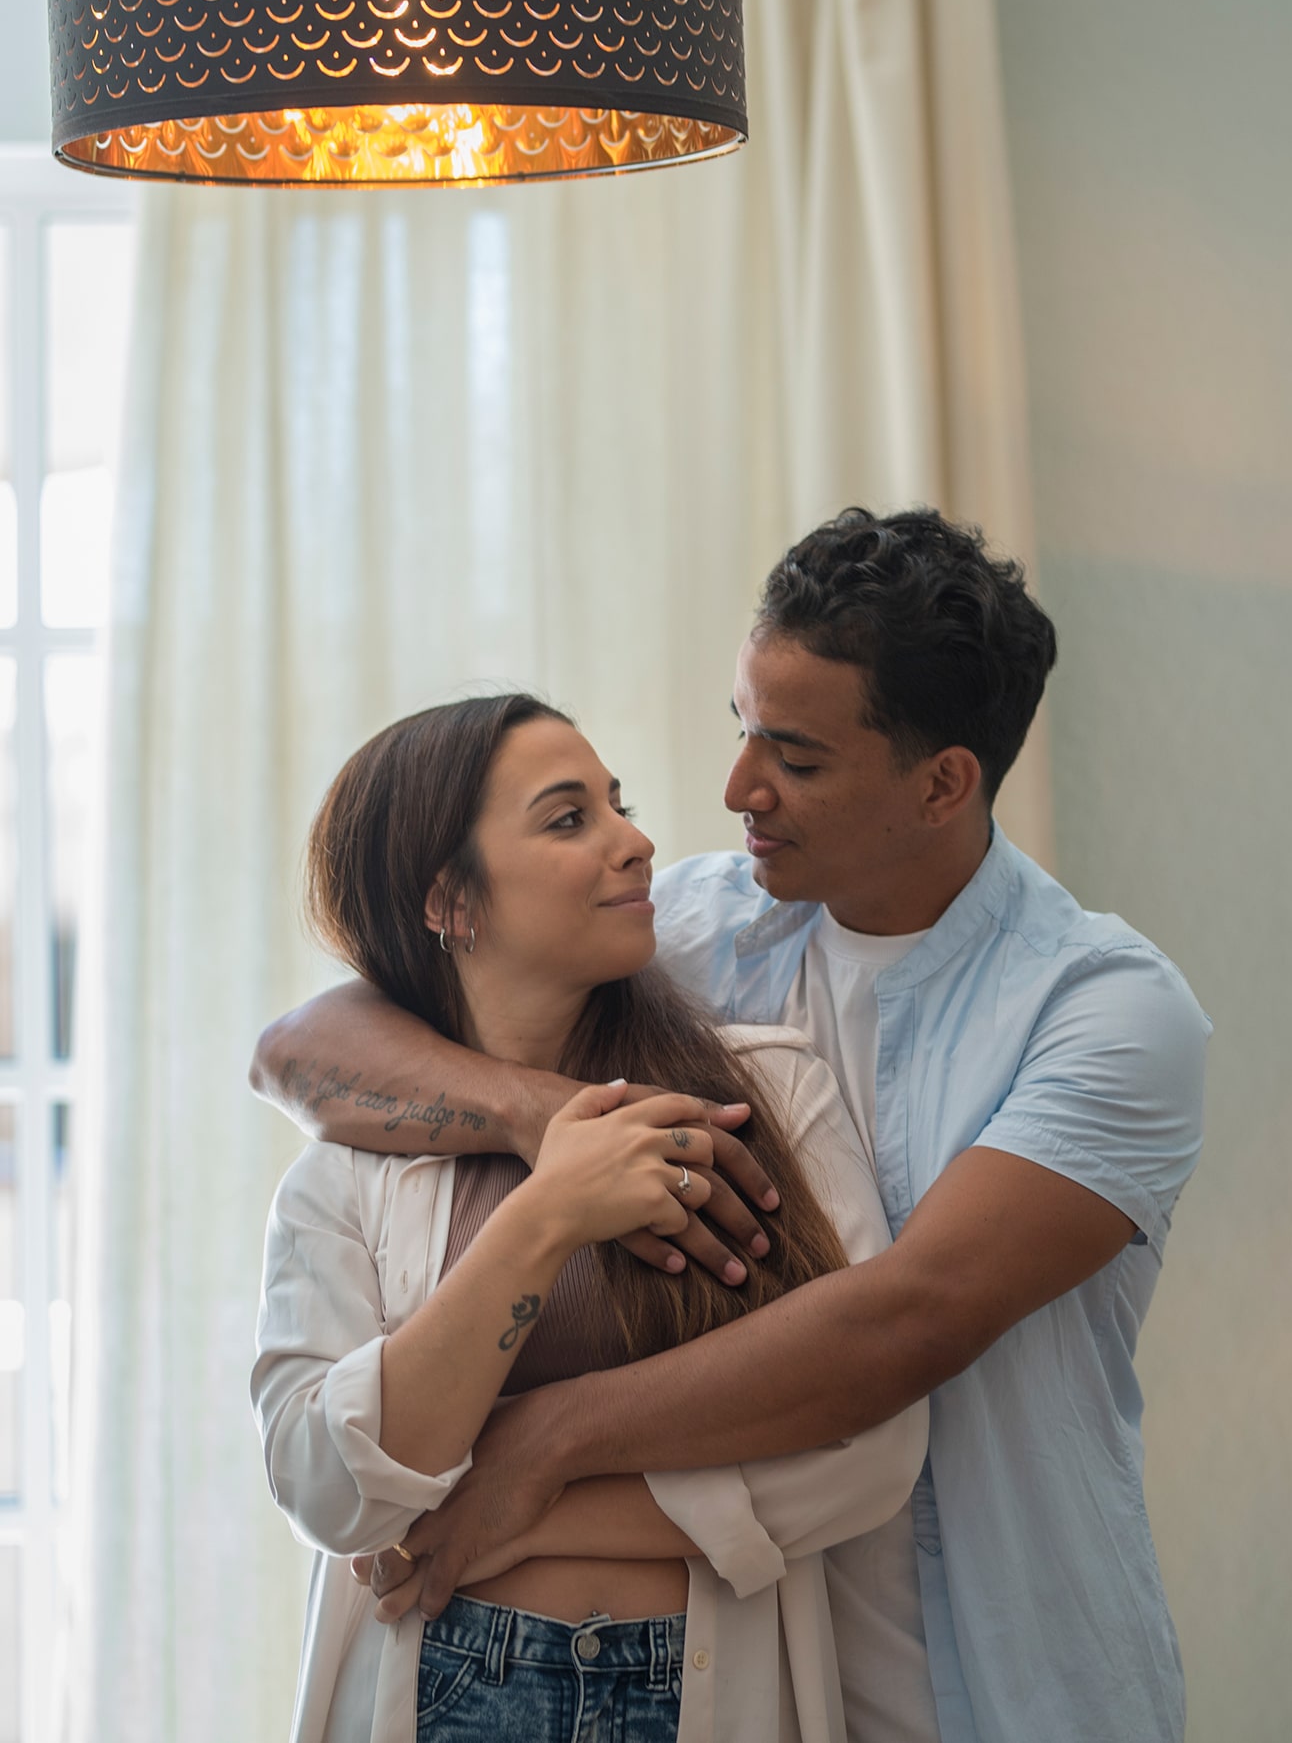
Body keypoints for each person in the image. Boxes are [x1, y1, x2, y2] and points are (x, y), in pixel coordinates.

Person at [253, 508, 1211, 1743]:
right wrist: (551, 1126)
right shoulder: (693, 930)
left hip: (1008, 1676)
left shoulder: (1109, 1012)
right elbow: (302, 1045)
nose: (734, 790)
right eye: (739, 725)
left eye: (796, 758)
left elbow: (896, 1325)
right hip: (768, 1665)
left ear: (940, 782)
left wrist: (538, 1448)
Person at [252, 692, 937, 1743]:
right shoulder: (346, 1171)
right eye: (569, 818)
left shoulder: (766, 1096)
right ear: (449, 899)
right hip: (439, 1689)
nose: (636, 841)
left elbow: (871, 1448)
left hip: (706, 1694)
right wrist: (547, 1213)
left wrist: (515, 1500)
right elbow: (324, 1488)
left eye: (616, 804)